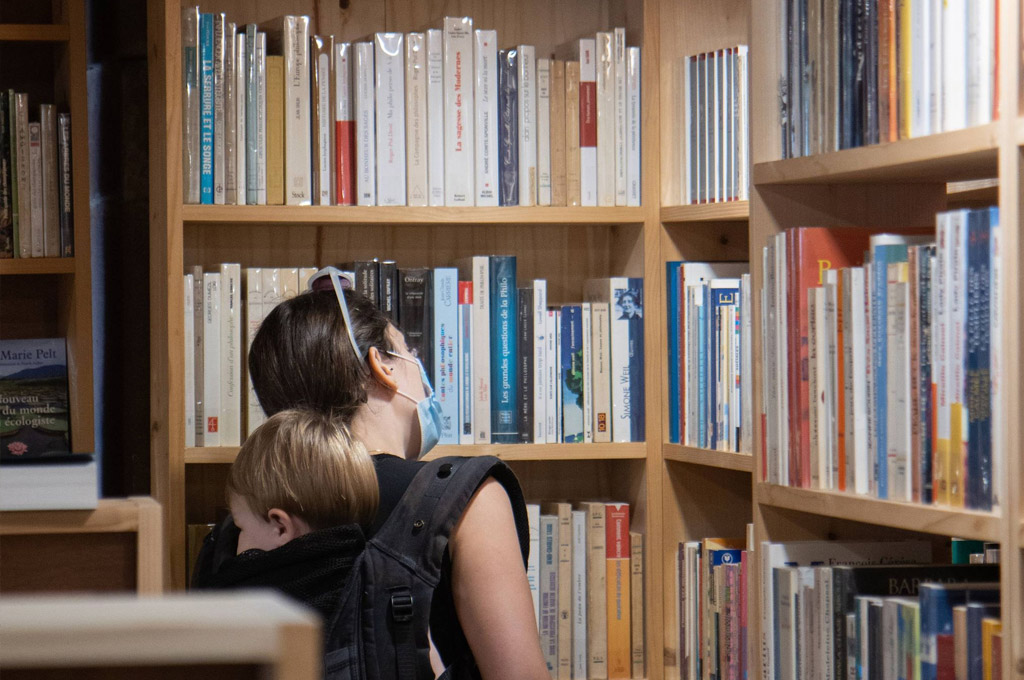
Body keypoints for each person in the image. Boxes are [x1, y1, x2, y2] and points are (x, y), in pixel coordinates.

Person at [195, 267, 548, 680]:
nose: (418, 366)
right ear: (382, 365)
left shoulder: (243, 530)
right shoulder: (467, 499)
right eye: (408, 351)